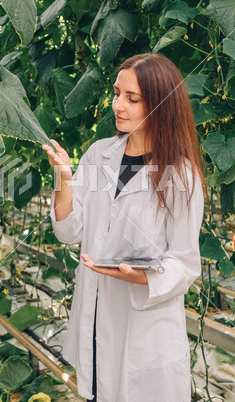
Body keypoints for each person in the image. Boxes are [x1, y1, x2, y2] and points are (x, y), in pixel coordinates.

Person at [42, 53, 206, 402]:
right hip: (97, 322)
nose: (118, 105)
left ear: (162, 105)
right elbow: (69, 231)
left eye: (132, 99)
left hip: (145, 333)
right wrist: (63, 179)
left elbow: (185, 263)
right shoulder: (99, 153)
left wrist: (144, 277)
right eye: (117, 94)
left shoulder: (180, 174)